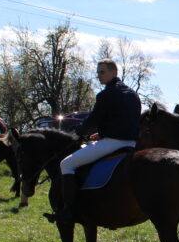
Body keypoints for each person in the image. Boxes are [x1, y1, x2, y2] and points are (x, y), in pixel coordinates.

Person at [53, 59, 141, 222]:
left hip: (112, 144)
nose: (98, 75)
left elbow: (93, 120)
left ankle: (68, 211)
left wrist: (78, 133)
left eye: (102, 72)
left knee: (66, 164)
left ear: (113, 72)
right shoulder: (133, 94)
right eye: (98, 72)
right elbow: (122, 122)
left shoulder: (106, 94)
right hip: (131, 144)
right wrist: (101, 134)